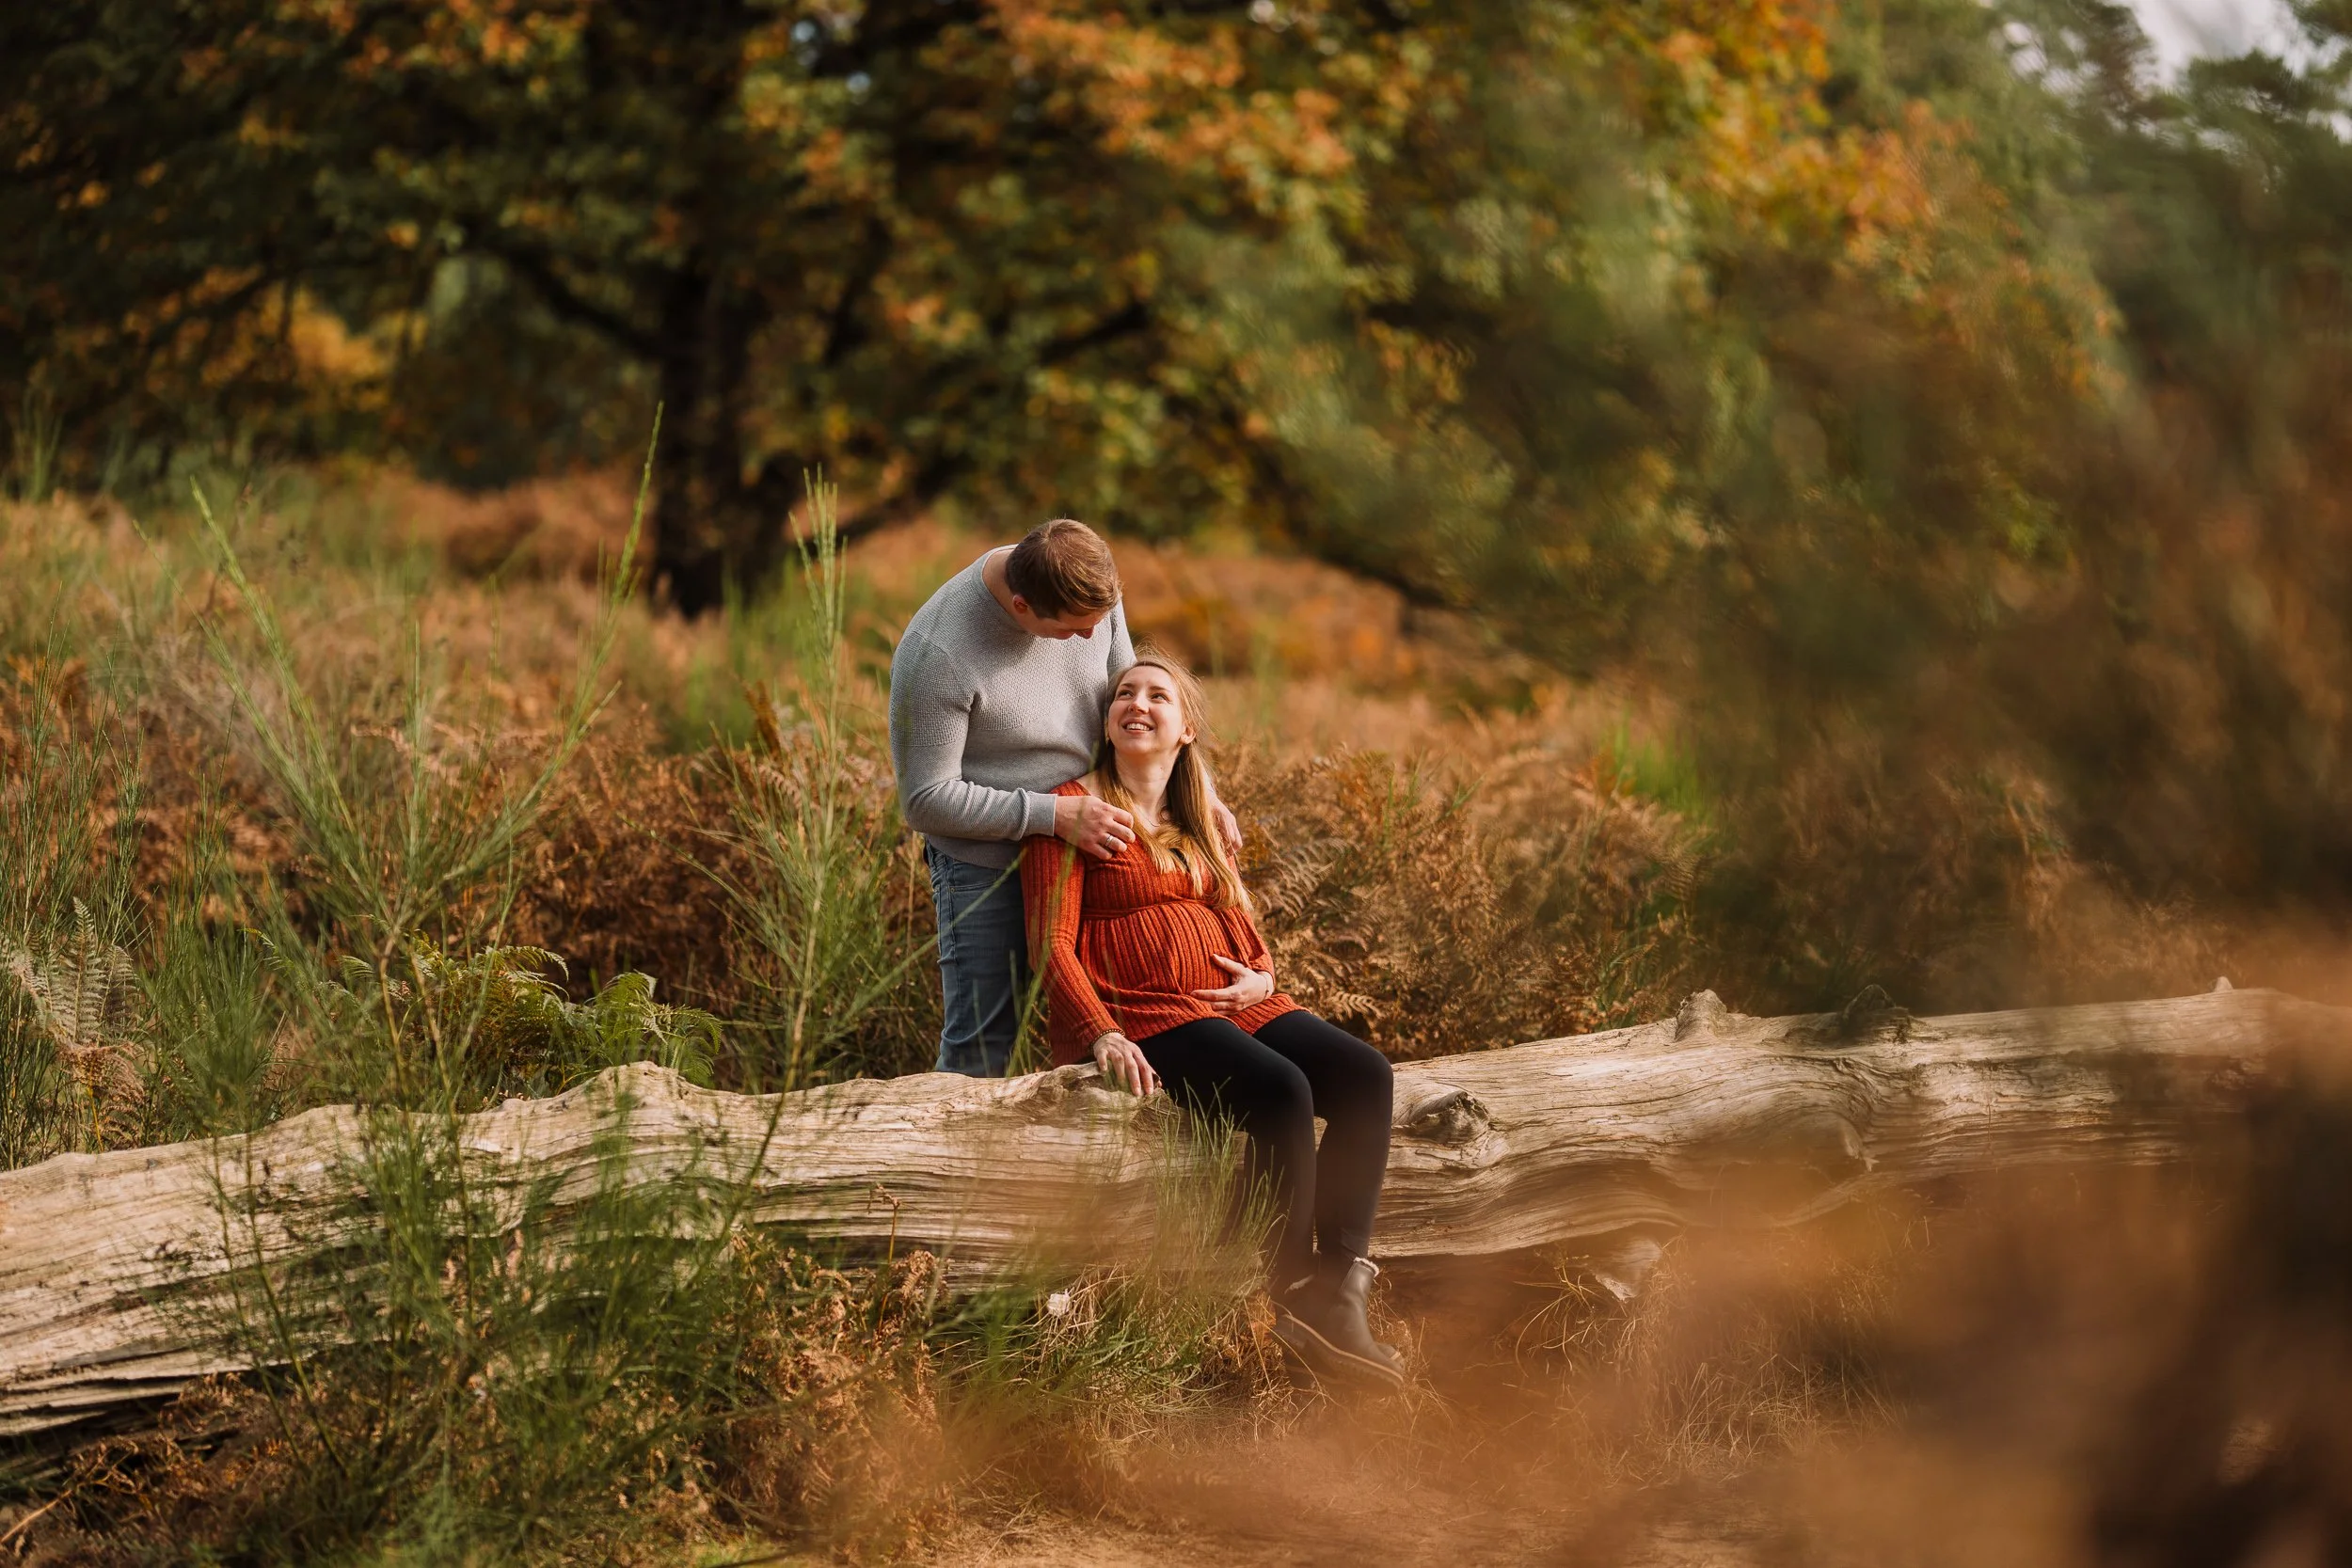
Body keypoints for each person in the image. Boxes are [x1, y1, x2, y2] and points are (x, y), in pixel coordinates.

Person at [1021, 652, 1404, 1389]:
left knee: (1366, 1075)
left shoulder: (1199, 820)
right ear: (1107, 721)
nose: (1137, 701)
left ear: (1185, 728)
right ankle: (1289, 1298)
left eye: (1158, 694)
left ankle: (1340, 1284)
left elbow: (1241, 919)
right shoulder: (1073, 811)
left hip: (1239, 1001)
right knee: (1281, 1091)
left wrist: (1263, 973)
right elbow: (1050, 944)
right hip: (1146, 1006)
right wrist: (1100, 1030)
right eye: (1124, 693)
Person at [889, 519, 1238, 1077]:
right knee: (982, 1048)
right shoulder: (940, 650)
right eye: (1074, 632)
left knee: (1141, 1018)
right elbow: (925, 800)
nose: (1087, 642)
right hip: (987, 870)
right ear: (1022, 606)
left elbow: (1136, 690)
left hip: (1102, 846)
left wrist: (1202, 793)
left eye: (1097, 625)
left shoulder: (1085, 585)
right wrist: (1052, 815)